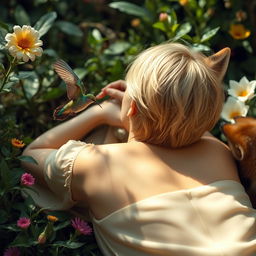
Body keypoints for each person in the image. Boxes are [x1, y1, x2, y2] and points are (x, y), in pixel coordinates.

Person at [22, 43, 256, 255]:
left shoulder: (98, 163)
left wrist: (99, 113)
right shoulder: (218, 151)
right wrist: (150, 107)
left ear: (132, 106)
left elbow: (32, 155)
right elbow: (189, 119)